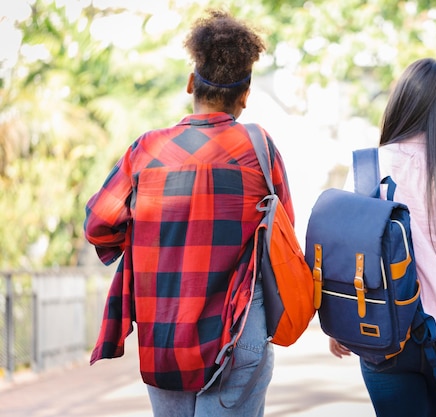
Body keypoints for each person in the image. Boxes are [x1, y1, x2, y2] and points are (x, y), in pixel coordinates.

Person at [84, 9, 294, 417]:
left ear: (190, 83)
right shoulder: (259, 149)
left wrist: (151, 235)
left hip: (164, 338)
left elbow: (99, 225)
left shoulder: (147, 151)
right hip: (238, 336)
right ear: (246, 94)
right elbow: (282, 235)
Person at [329, 58, 436, 417]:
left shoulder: (368, 168)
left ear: (402, 103)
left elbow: (347, 255)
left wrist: (339, 322)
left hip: (382, 333)